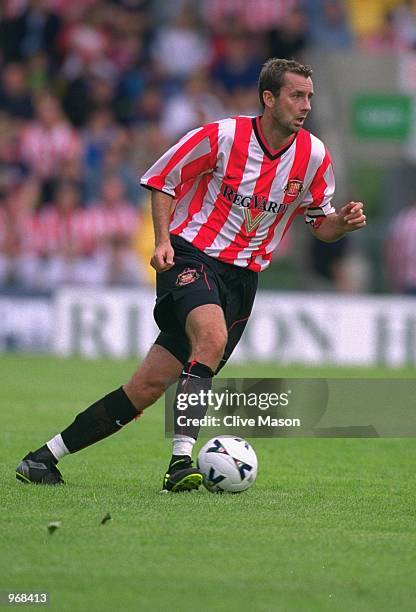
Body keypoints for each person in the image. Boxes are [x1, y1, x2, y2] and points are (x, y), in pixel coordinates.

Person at [16, 58, 366, 492]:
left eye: (310, 97)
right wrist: (162, 241)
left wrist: (341, 225)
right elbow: (163, 179)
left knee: (145, 387)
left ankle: (43, 458)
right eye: (297, 95)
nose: (306, 105)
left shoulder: (313, 155)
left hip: (243, 281)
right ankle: (180, 463)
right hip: (193, 255)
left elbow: (320, 222)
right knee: (212, 340)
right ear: (269, 98)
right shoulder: (222, 136)